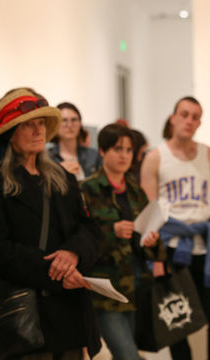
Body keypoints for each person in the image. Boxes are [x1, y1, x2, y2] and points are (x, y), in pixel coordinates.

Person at [0, 87, 101, 359]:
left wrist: (74, 252)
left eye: (41, 123)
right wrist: (58, 273)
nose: (37, 131)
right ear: (9, 135)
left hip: (69, 315)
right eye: (27, 126)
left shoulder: (62, 177)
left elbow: (89, 228)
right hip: (25, 316)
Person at [140, 96, 210, 360]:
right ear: (173, 118)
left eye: (195, 116)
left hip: (207, 247)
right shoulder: (156, 157)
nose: (189, 121)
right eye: (184, 114)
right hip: (172, 248)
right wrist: (155, 258)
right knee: (178, 321)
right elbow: (148, 213)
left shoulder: (207, 153)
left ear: (199, 122)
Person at [80, 124, 163, 360]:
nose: (124, 155)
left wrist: (153, 239)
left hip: (137, 286)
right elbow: (79, 240)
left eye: (128, 150)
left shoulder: (136, 191)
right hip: (105, 290)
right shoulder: (87, 190)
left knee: (128, 354)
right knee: (129, 356)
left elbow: (150, 246)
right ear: (103, 151)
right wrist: (110, 231)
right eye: (118, 149)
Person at [48, 102, 101, 180]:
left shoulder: (94, 155)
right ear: (56, 125)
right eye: (64, 120)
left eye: (74, 120)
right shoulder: (46, 158)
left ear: (80, 123)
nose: (69, 125)